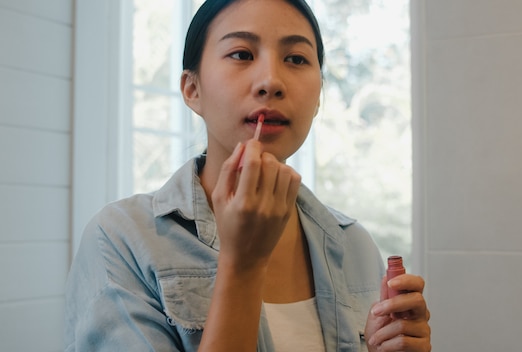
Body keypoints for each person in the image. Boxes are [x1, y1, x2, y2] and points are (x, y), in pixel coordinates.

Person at [64, 0, 431, 351]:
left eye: (296, 59)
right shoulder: (120, 241)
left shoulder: (355, 246)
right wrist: (243, 265)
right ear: (192, 89)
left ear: (318, 97)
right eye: (241, 54)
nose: (271, 82)